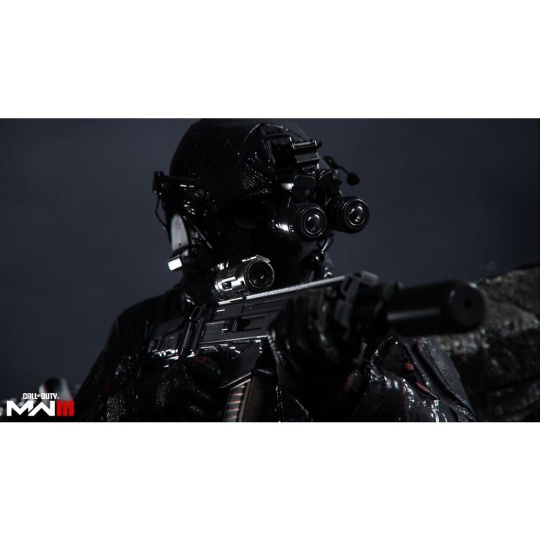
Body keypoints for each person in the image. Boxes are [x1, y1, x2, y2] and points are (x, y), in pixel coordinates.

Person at [74, 119, 475, 422]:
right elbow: (62, 418)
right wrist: (141, 401)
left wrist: (348, 389)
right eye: (249, 215)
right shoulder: (148, 327)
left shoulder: (351, 319)